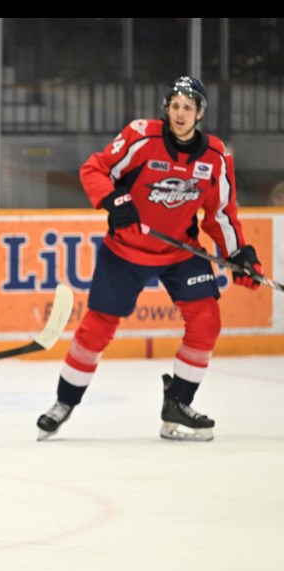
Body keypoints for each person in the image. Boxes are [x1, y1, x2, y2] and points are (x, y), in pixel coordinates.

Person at [36, 76, 265, 443]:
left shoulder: (216, 157)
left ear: (199, 113)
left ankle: (178, 403)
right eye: (174, 105)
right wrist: (115, 200)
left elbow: (220, 214)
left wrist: (239, 254)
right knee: (97, 328)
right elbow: (94, 169)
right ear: (167, 108)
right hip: (126, 249)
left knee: (206, 321)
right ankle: (64, 403)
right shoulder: (142, 136)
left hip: (179, 251)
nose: (180, 112)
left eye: (188, 107)